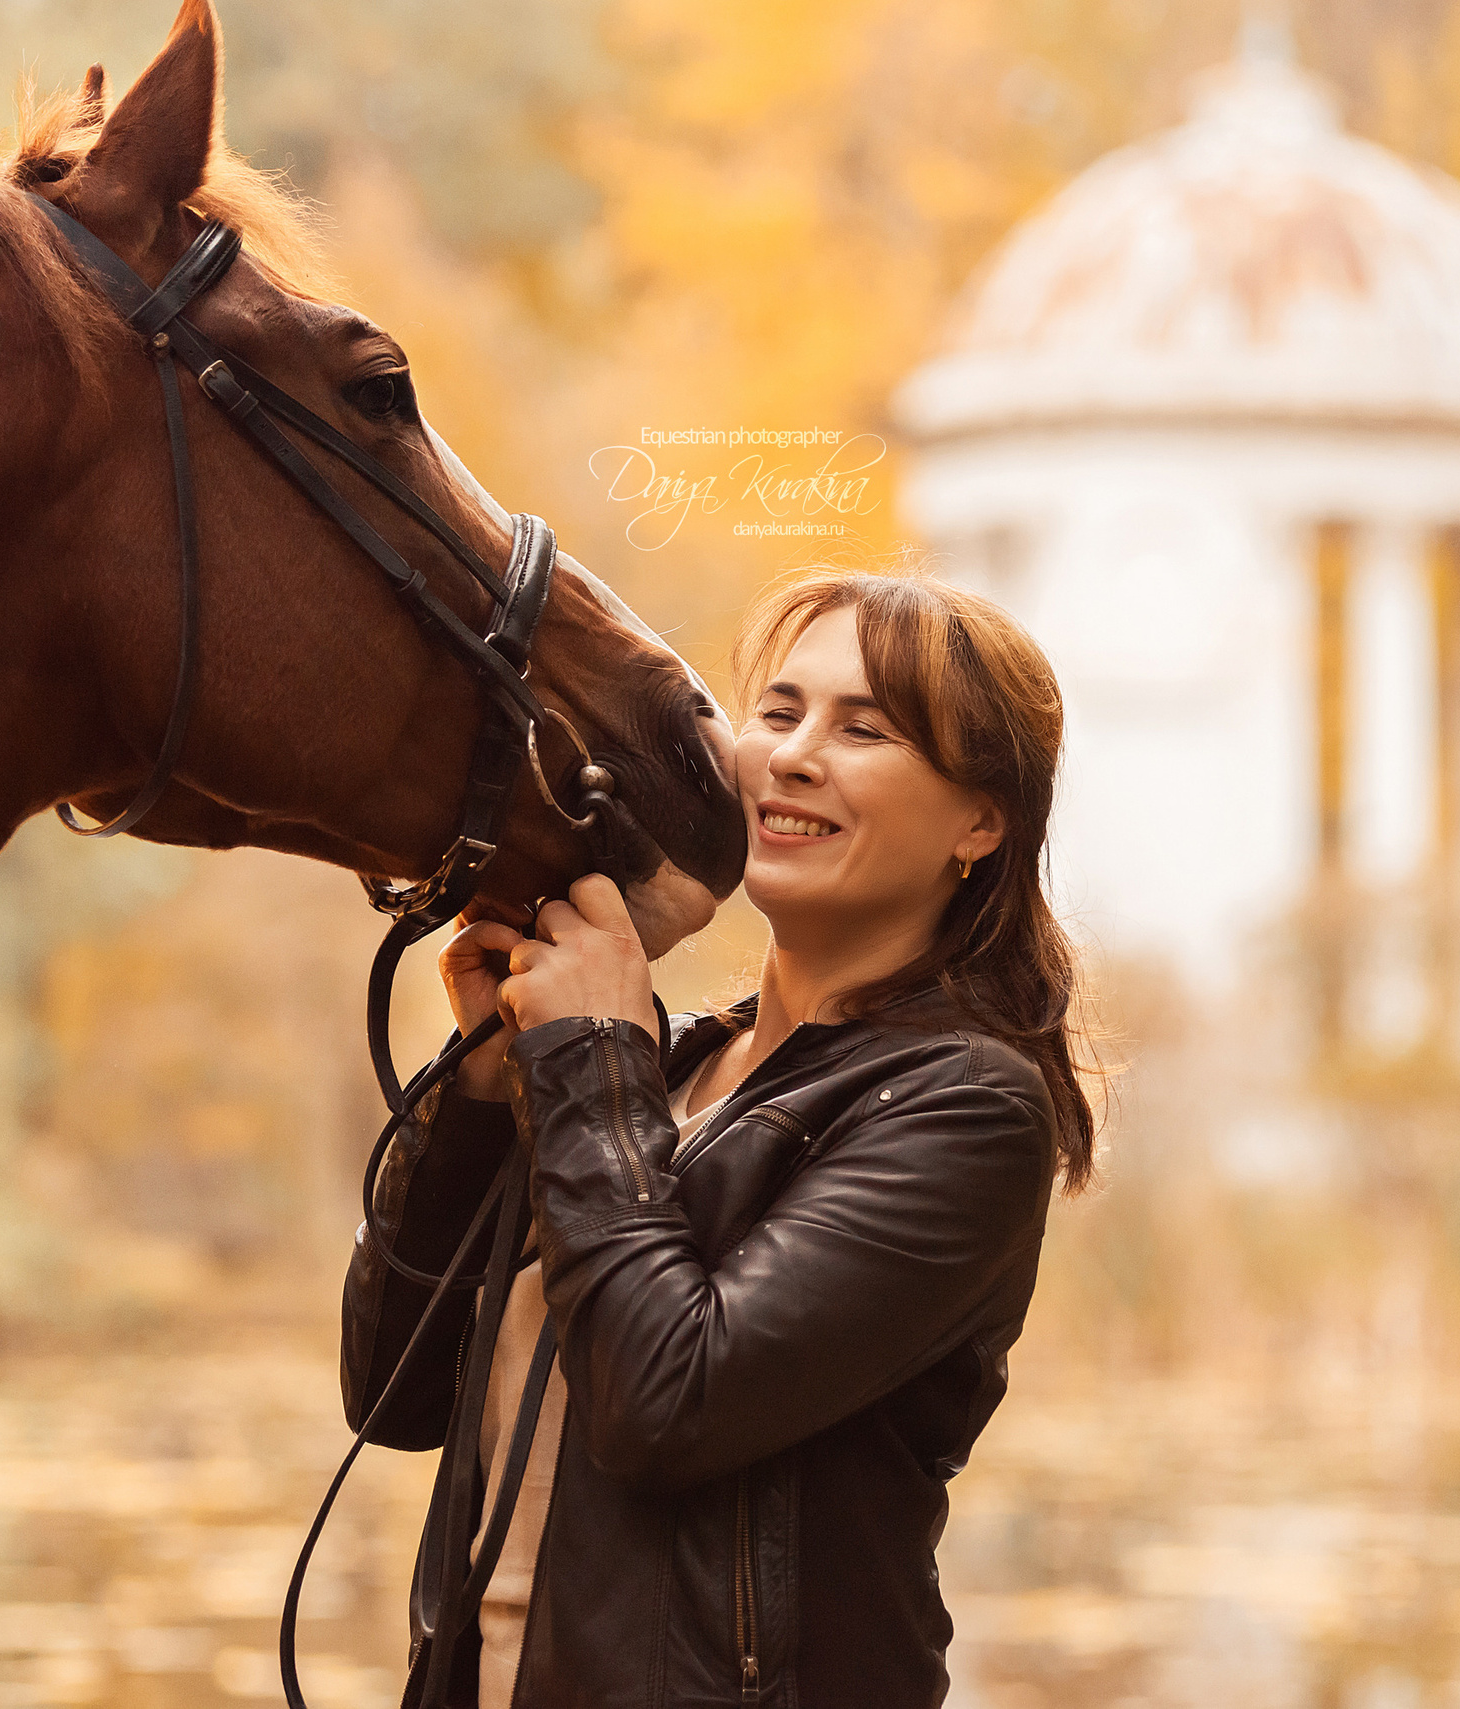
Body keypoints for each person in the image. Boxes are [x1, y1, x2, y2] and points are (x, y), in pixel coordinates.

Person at [341, 566, 1097, 1708]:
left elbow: (666, 1399)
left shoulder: (962, 1105)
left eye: (863, 729)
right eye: (779, 712)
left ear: (980, 822)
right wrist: (488, 1096)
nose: (793, 756)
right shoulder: (664, 1070)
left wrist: (591, 1059)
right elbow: (389, 1392)